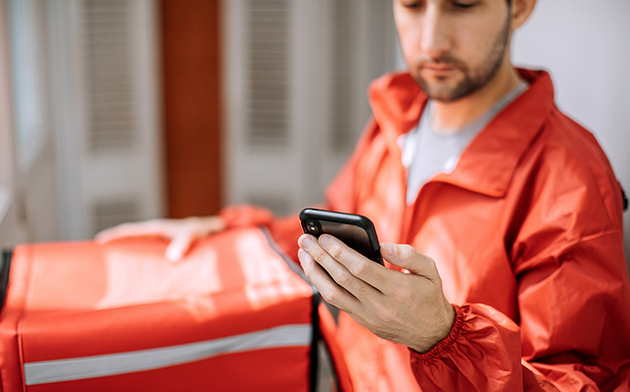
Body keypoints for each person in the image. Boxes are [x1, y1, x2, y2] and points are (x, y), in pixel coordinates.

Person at [97, 0, 630, 390]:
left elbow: (578, 383)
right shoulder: (394, 122)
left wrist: (443, 335)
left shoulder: (571, 179)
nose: (429, 41)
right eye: (412, 5)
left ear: (521, 8)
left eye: (462, 5)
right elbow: (336, 237)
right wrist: (226, 230)